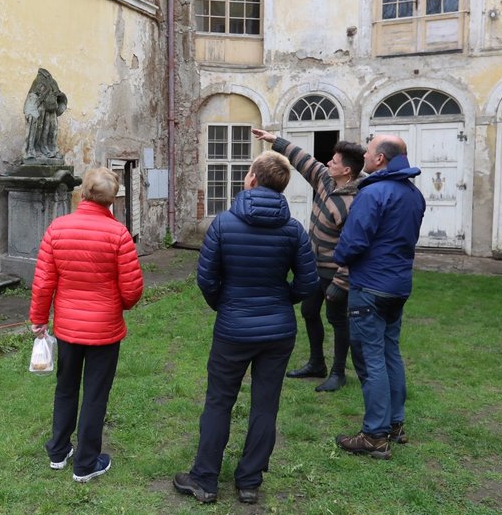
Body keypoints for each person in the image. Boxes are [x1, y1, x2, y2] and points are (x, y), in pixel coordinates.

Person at [174, 151, 319, 505]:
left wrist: (226, 305)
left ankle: (205, 479)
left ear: (252, 179)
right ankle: (249, 481)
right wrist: (282, 299)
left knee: (219, 402)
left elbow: (207, 280)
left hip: (234, 329)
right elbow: (307, 282)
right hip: (277, 330)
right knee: (265, 404)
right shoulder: (293, 230)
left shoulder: (223, 224)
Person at [29, 167, 144, 483]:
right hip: (105, 329)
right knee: (95, 393)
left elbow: (43, 283)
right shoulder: (118, 234)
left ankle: (58, 450)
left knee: (66, 387)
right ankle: (86, 462)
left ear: (82, 194)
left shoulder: (57, 229)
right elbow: (133, 289)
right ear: (111, 199)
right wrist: (116, 305)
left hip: (68, 327)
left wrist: (39, 320)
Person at [251, 129, 366, 392]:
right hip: (315, 268)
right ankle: (317, 363)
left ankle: (338, 372)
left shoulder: (355, 203)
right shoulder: (325, 180)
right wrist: (274, 140)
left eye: (334, 162)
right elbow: (304, 160)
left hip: (336, 272)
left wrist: (341, 282)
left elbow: (356, 247)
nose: (328, 163)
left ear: (346, 171)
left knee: (338, 321)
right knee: (308, 312)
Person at [333, 135, 425, 459]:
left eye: (369, 152)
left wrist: (339, 256)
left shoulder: (373, 193)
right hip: (398, 287)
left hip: (370, 287)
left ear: (381, 160)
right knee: (390, 354)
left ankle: (374, 434)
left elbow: (354, 240)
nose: (366, 156)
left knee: (371, 360)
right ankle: (395, 425)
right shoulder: (414, 195)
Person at [23, 68, 68, 162]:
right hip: (39, 112)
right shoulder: (38, 82)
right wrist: (31, 111)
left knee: (51, 129)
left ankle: (50, 150)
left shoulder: (53, 82)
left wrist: (58, 97)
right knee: (38, 130)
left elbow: (59, 97)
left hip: (50, 112)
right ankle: (33, 150)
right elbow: (32, 97)